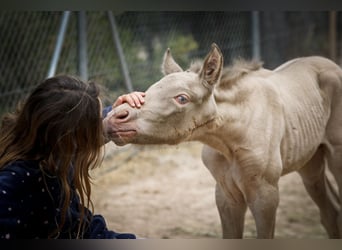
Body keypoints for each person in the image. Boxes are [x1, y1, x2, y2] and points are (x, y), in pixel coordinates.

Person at [0, 75, 145, 239]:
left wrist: (116, 114)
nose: (103, 122)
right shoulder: (18, 185)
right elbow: (80, 232)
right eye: (96, 122)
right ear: (71, 138)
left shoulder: (41, 145)